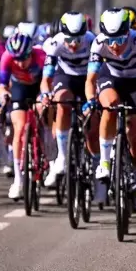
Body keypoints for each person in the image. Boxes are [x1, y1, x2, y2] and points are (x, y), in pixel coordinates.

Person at [85, 8, 136, 214]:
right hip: (111, 78)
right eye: (110, 40)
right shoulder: (99, 43)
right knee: (110, 104)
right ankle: (104, 162)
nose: (115, 45)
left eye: (119, 39)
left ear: (128, 33)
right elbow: (90, 79)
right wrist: (90, 101)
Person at [40, 12, 96, 190]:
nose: (73, 44)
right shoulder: (55, 43)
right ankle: (62, 156)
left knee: (95, 116)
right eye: (69, 39)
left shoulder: (92, 40)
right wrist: (45, 94)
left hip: (89, 78)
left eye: (78, 40)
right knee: (62, 102)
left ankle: (95, 160)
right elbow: (46, 79)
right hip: (66, 78)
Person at [0, 32, 47, 200]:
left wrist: (44, 97)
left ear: (30, 53)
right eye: (16, 58)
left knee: (44, 110)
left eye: (24, 58)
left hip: (40, 86)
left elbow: (49, 81)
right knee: (18, 129)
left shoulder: (41, 56)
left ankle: (48, 141)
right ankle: (18, 180)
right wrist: (3, 93)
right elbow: (2, 85)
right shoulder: (6, 57)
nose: (19, 62)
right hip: (20, 88)